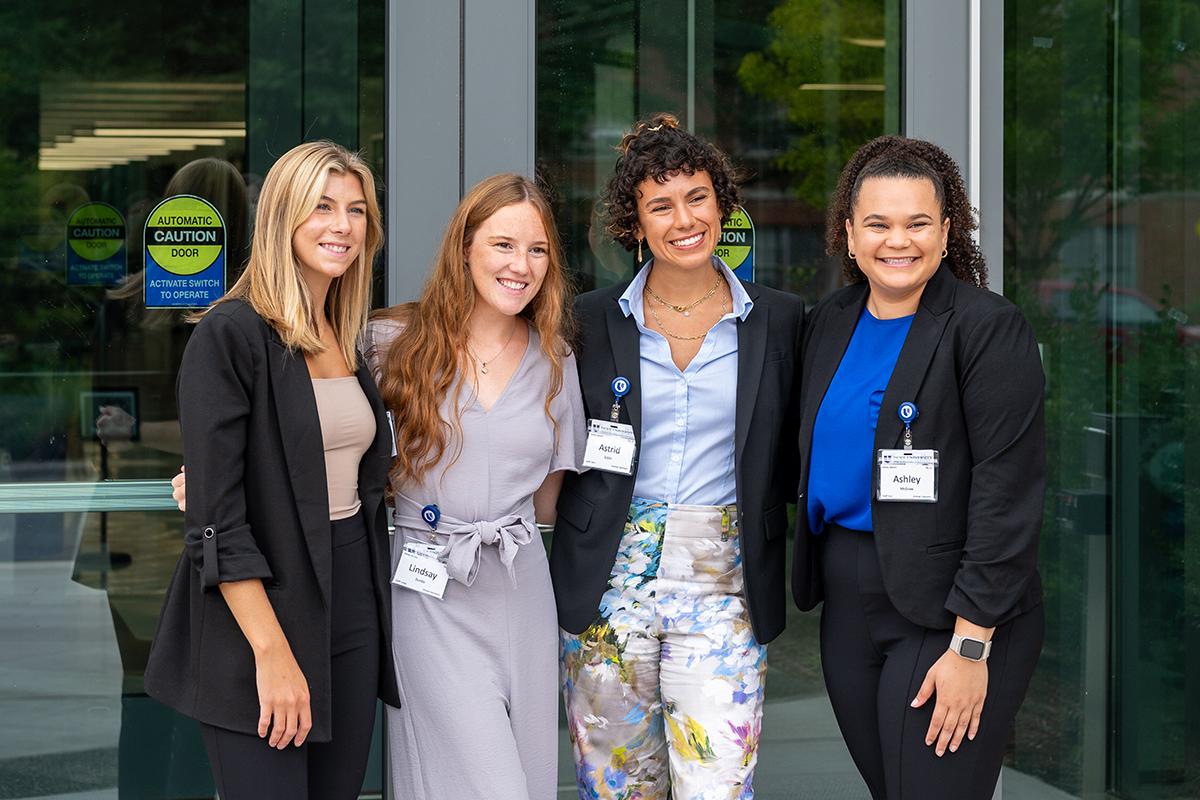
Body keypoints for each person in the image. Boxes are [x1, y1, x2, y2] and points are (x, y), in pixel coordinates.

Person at [552, 113, 804, 798]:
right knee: (617, 785)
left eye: (697, 197)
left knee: (718, 783)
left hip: (725, 583)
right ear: (634, 226)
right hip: (609, 579)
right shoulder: (589, 320)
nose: (683, 218)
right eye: (660, 205)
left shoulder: (779, 321)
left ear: (721, 205)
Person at [144, 140, 401, 800]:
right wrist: (272, 652)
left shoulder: (345, 338)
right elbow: (218, 524)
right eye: (321, 206)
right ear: (281, 217)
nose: (341, 225)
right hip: (258, 612)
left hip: (352, 603)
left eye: (355, 209)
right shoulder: (230, 334)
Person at [792, 135, 1045, 799]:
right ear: (848, 234)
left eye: (916, 223)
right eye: (877, 223)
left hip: (950, 606)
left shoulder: (987, 327)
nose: (896, 241)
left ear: (946, 231)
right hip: (848, 597)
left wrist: (970, 646)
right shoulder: (830, 321)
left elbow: (1006, 491)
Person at [367, 173, 584, 800]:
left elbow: (549, 498)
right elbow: (319, 428)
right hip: (427, 590)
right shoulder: (388, 344)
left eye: (538, 249)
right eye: (503, 245)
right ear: (464, 248)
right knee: (487, 786)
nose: (522, 265)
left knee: (529, 778)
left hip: (520, 588)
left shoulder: (558, 361)